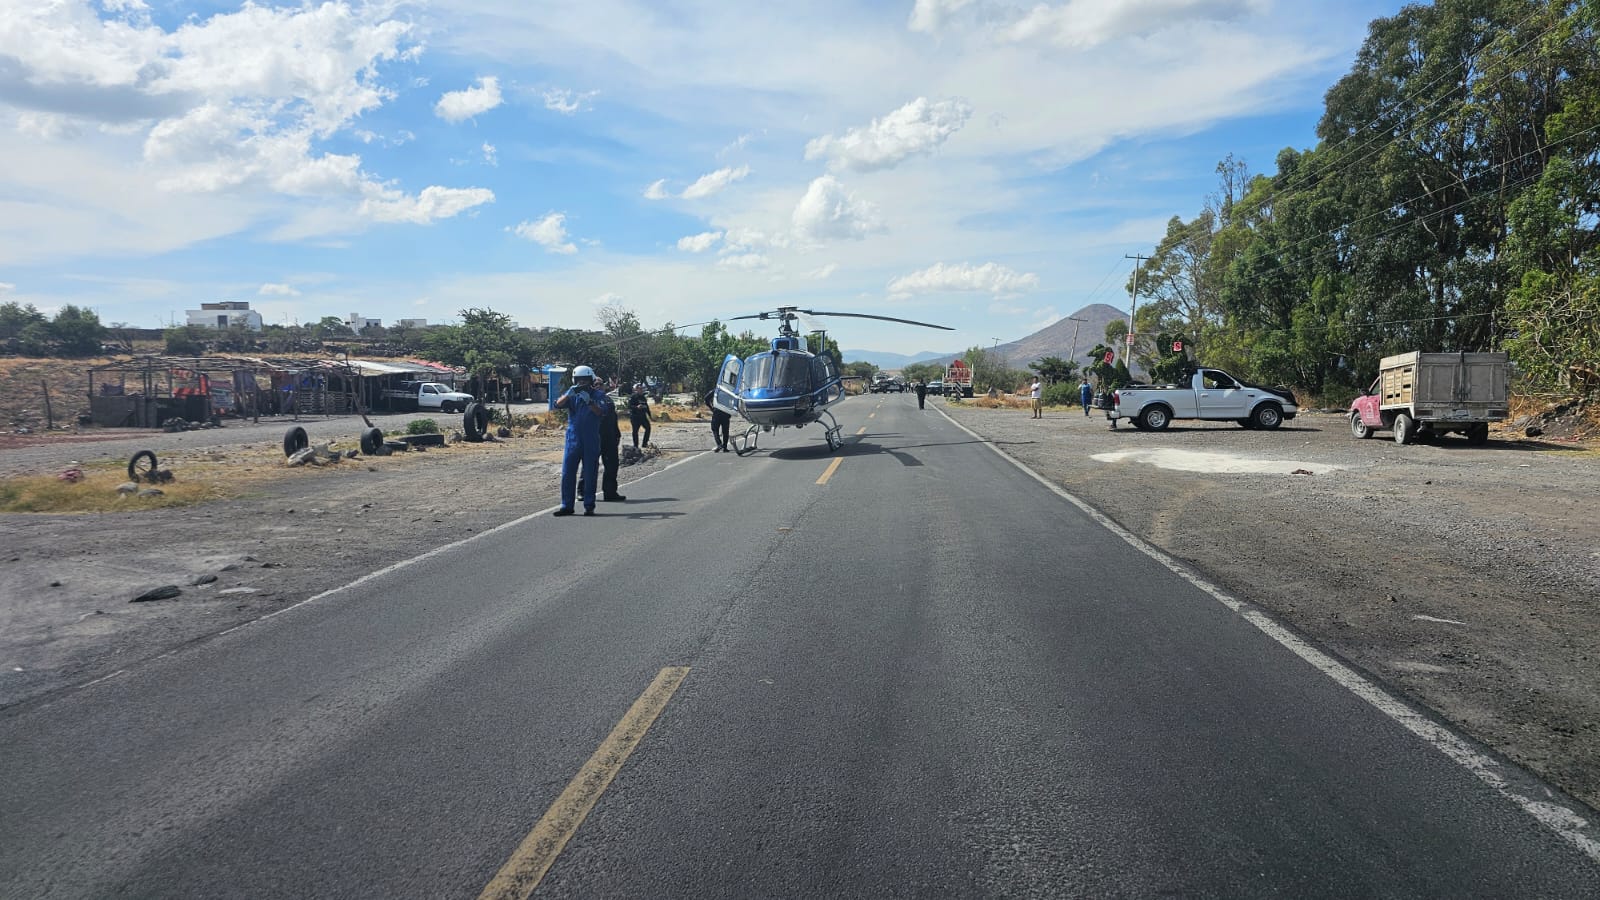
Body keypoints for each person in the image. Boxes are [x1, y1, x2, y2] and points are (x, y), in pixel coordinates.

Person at [553, 365, 605, 517]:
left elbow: (601, 412)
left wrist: (590, 402)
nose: (582, 383)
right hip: (573, 439)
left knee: (590, 473)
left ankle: (589, 505)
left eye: (585, 380)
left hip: (591, 440)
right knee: (567, 473)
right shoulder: (572, 394)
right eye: (579, 380)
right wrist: (569, 394)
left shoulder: (598, 395)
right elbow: (557, 405)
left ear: (591, 380)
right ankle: (566, 505)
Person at [593, 386, 626, 502]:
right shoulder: (588, 399)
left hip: (609, 436)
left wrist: (617, 432)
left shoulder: (607, 399)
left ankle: (610, 492)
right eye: (596, 383)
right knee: (590, 465)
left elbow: (613, 416)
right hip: (594, 437)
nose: (599, 386)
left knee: (612, 464)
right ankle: (584, 492)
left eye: (601, 383)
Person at [627, 382, 652, 448]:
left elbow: (647, 407)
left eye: (642, 389)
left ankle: (644, 444)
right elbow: (629, 406)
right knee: (635, 431)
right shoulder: (633, 397)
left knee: (648, 428)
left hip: (643, 416)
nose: (641, 390)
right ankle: (635, 445)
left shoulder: (643, 397)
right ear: (636, 389)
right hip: (635, 417)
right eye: (640, 389)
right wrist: (636, 407)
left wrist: (650, 416)